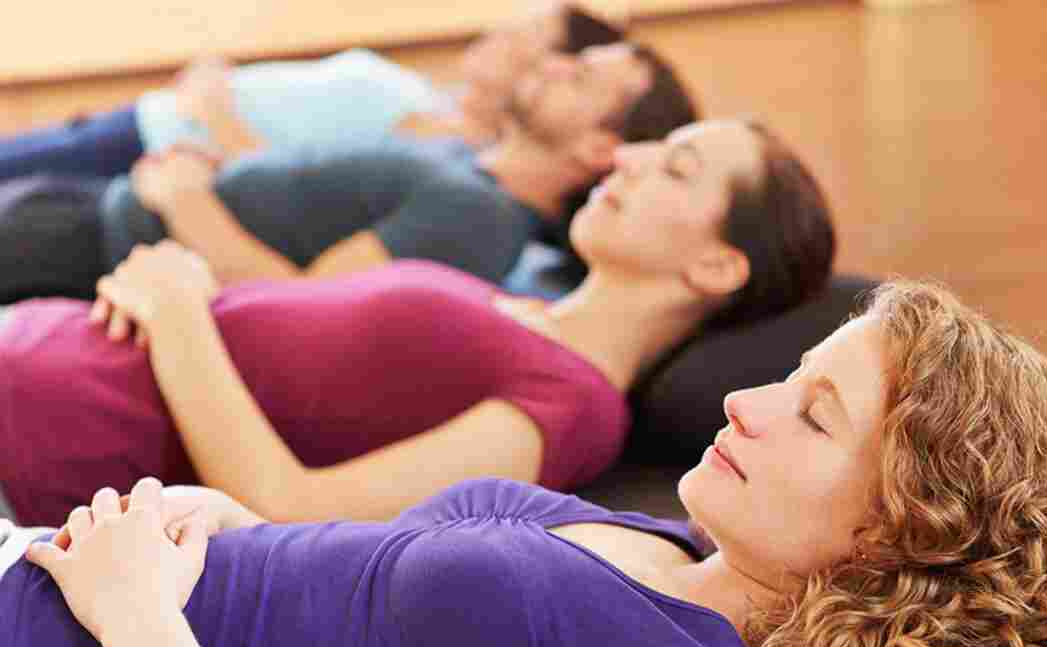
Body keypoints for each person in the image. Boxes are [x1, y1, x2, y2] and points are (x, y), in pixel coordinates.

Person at [6, 278, 1047, 647]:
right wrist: (230, 525)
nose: (748, 403)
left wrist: (143, 624)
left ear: (896, 535)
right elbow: (356, 634)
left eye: (813, 417)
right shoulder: (650, 536)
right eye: (790, 375)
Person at [0, 119, 835, 528]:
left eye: (675, 168)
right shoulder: (517, 300)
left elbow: (291, 511)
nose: (628, 156)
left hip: (28, 453)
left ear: (716, 267)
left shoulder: (577, 407)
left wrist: (180, 310)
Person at [0, 40, 697, 304]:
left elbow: (294, 302)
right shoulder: (463, 168)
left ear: (598, 148)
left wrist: (186, 200)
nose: (554, 65)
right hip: (99, 209)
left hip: (97, 249)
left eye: (581, 78)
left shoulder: (480, 220)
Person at [0, 2, 625, 180]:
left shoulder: (442, 142)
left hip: (156, 147)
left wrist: (214, 104)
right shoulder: (436, 102)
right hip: (146, 121)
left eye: (524, 39)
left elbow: (284, 180)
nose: (499, 36)